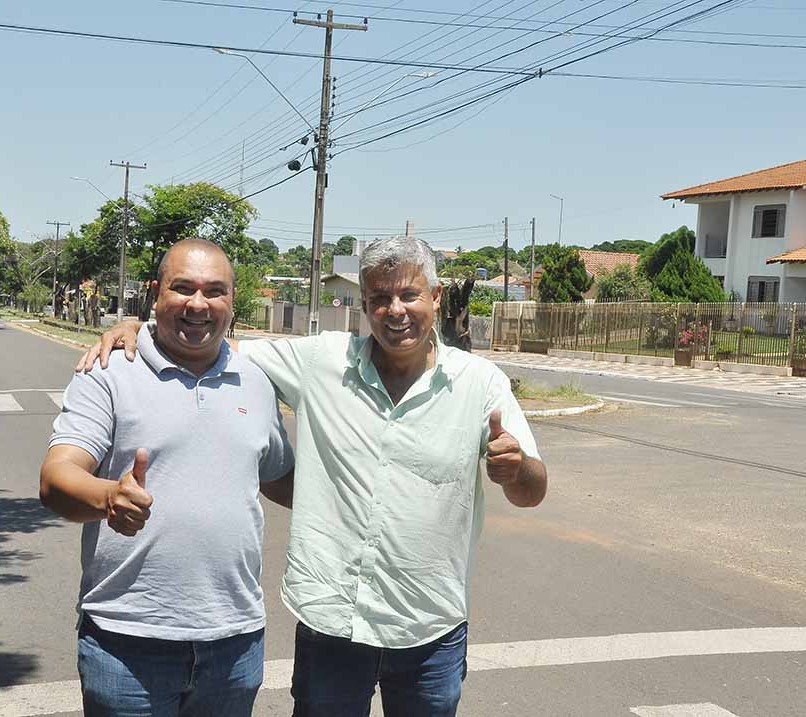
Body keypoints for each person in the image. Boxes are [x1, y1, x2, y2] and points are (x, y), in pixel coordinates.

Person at [79, 236, 547, 716]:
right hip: (333, 625)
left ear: (436, 296)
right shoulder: (322, 361)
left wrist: (516, 470)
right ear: (364, 303)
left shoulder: (480, 383)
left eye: (409, 295)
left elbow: (532, 491)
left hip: (430, 629)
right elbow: (210, 338)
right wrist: (139, 326)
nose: (395, 311)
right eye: (380, 298)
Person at [41, 238, 294, 716]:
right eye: (183, 288)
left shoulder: (255, 379)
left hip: (235, 642)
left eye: (214, 291)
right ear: (154, 292)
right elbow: (57, 477)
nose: (199, 304)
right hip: (127, 642)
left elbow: (277, 475)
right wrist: (108, 496)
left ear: (232, 300)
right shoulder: (109, 371)